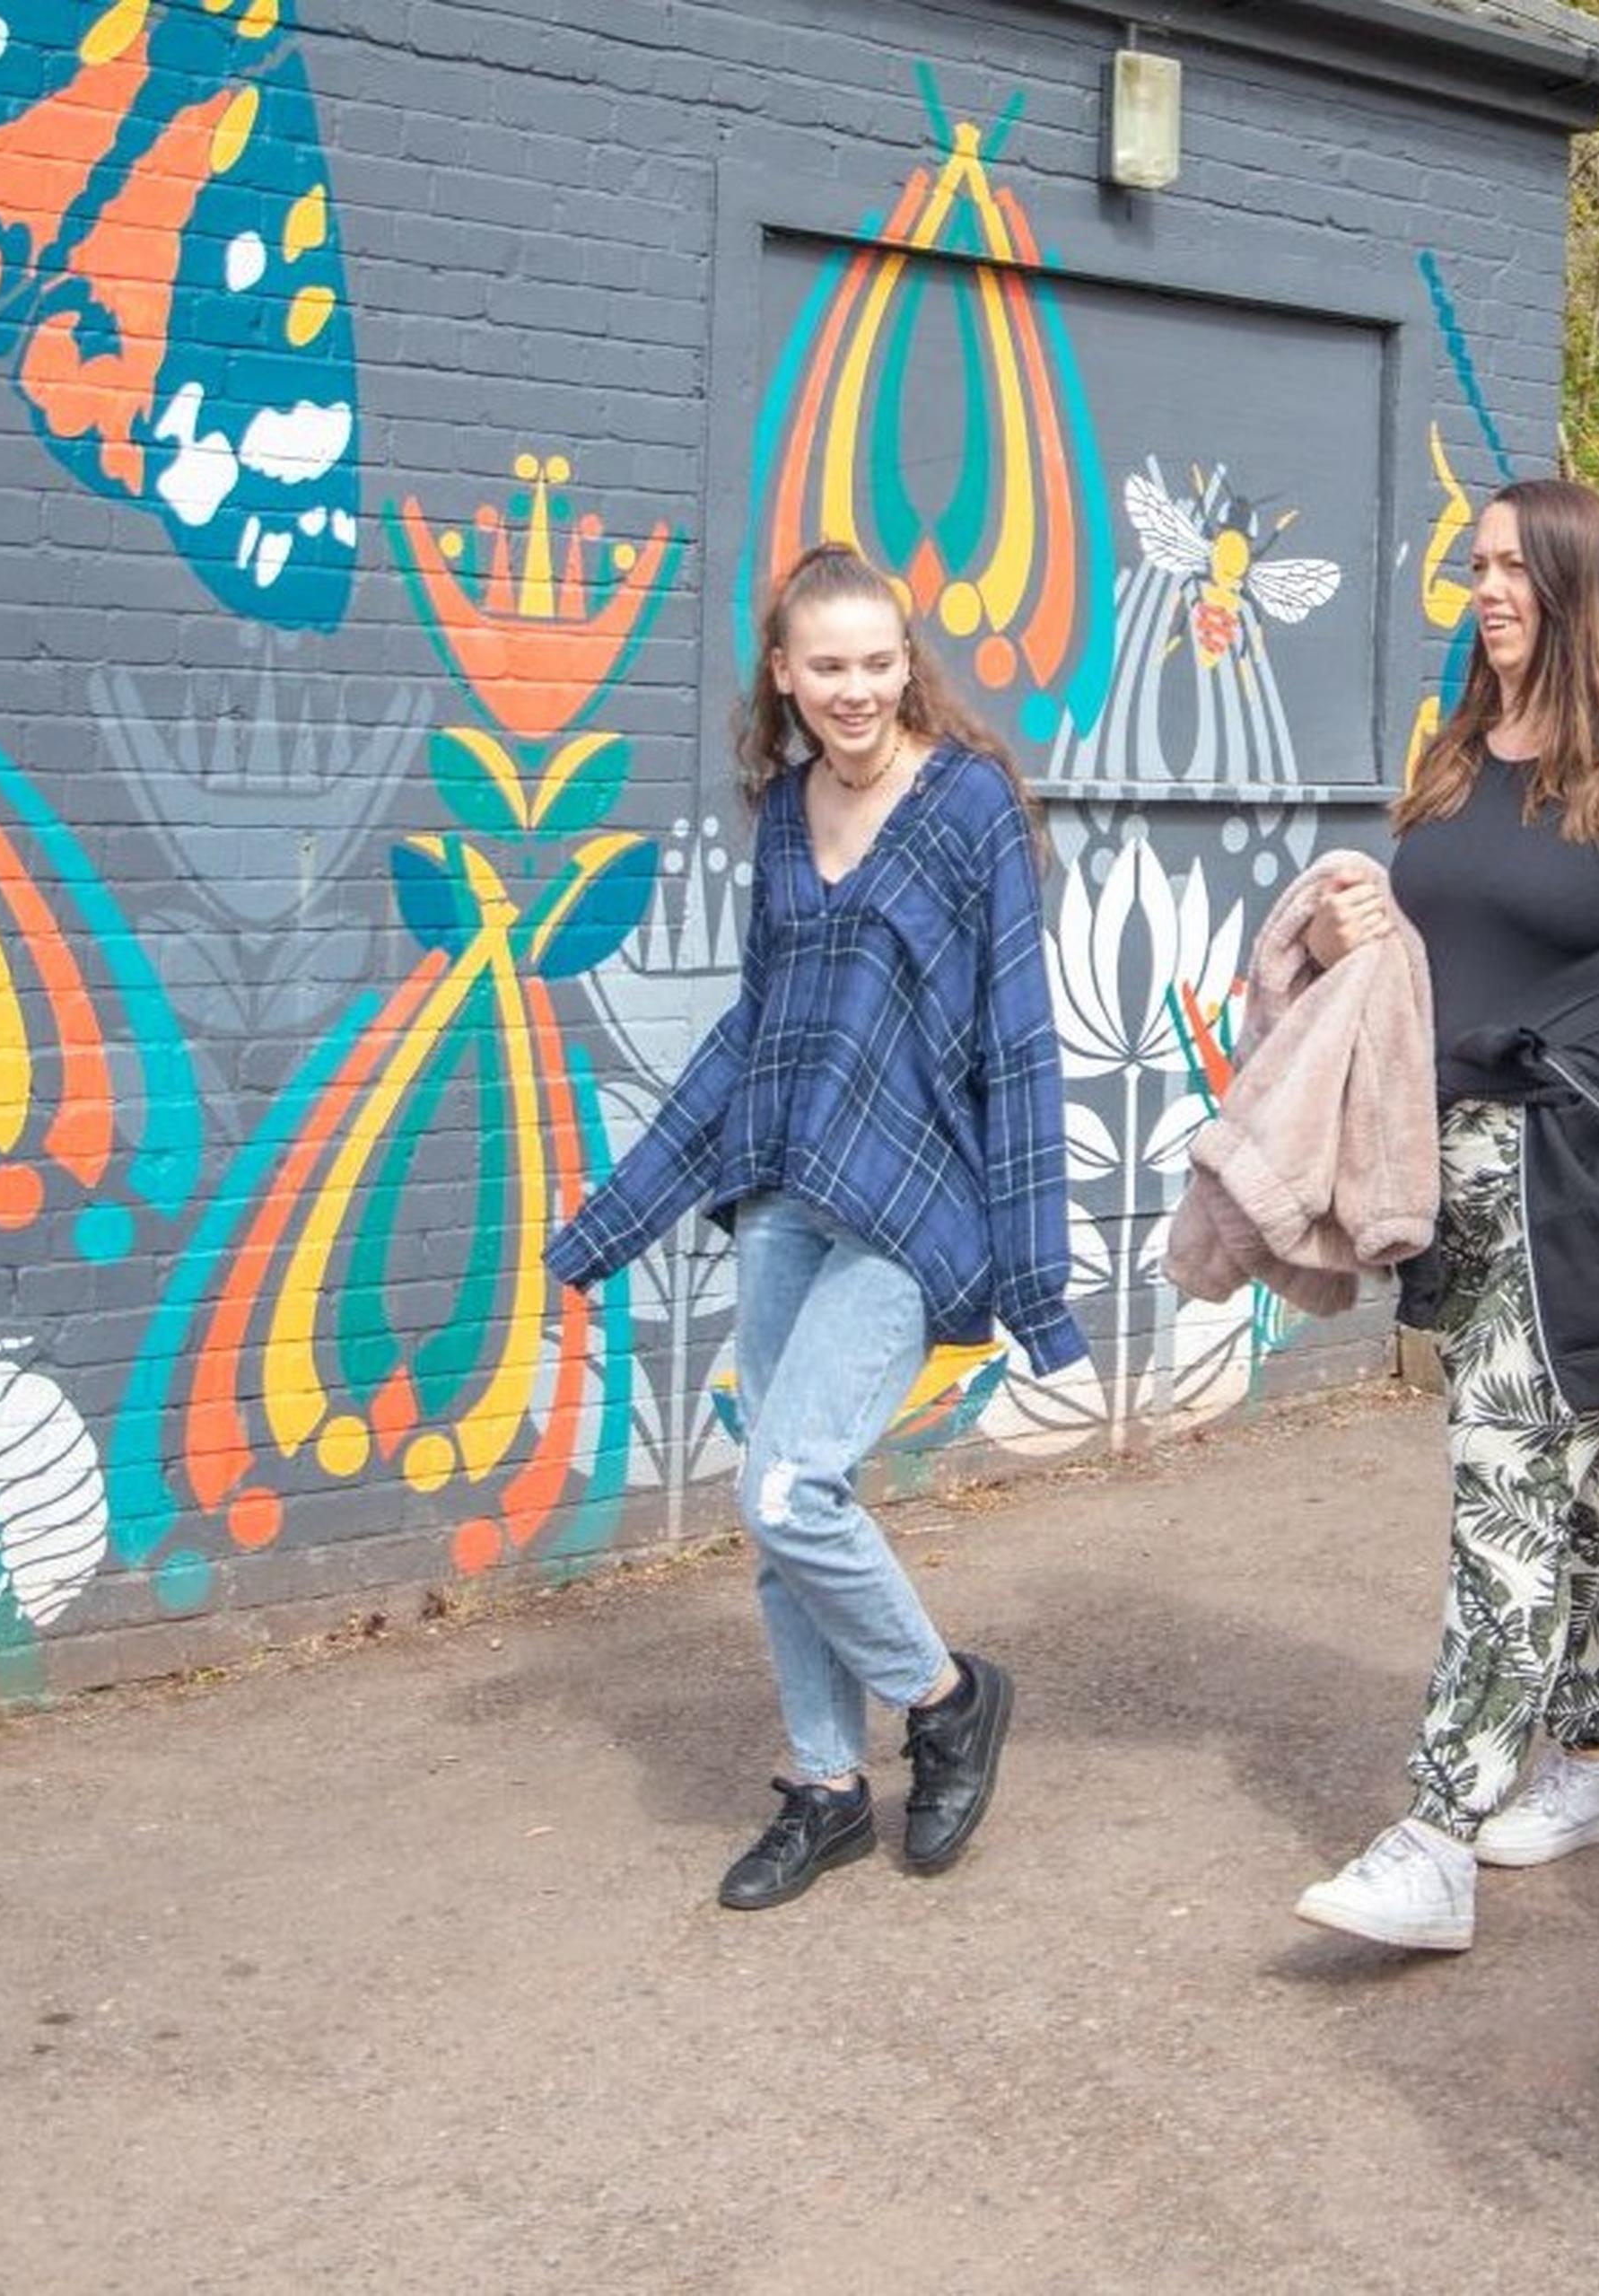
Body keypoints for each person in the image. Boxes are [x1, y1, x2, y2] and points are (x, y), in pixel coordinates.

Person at [546, 541, 1081, 1912]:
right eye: (826, 664)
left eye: (878, 661)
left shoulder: (965, 806)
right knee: (787, 1506)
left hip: (916, 1205)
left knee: (786, 1484)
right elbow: (757, 1034)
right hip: (785, 1191)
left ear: (911, 665)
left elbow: (1019, 1038)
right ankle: (828, 1784)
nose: (855, 688)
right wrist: (610, 1223)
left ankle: (950, 1697)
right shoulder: (784, 814)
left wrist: (1035, 1277)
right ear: (783, 672)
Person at [1289, 477, 1599, 1953]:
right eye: (1477, 567)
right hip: (1456, 1167)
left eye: (1514, 570)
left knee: (1502, 1482)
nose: (1487, 592)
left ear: (1577, 587)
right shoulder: (1456, 758)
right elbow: (1432, 951)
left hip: (1591, 1168)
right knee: (1552, 1479)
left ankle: (1437, 1830)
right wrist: (1356, 928)